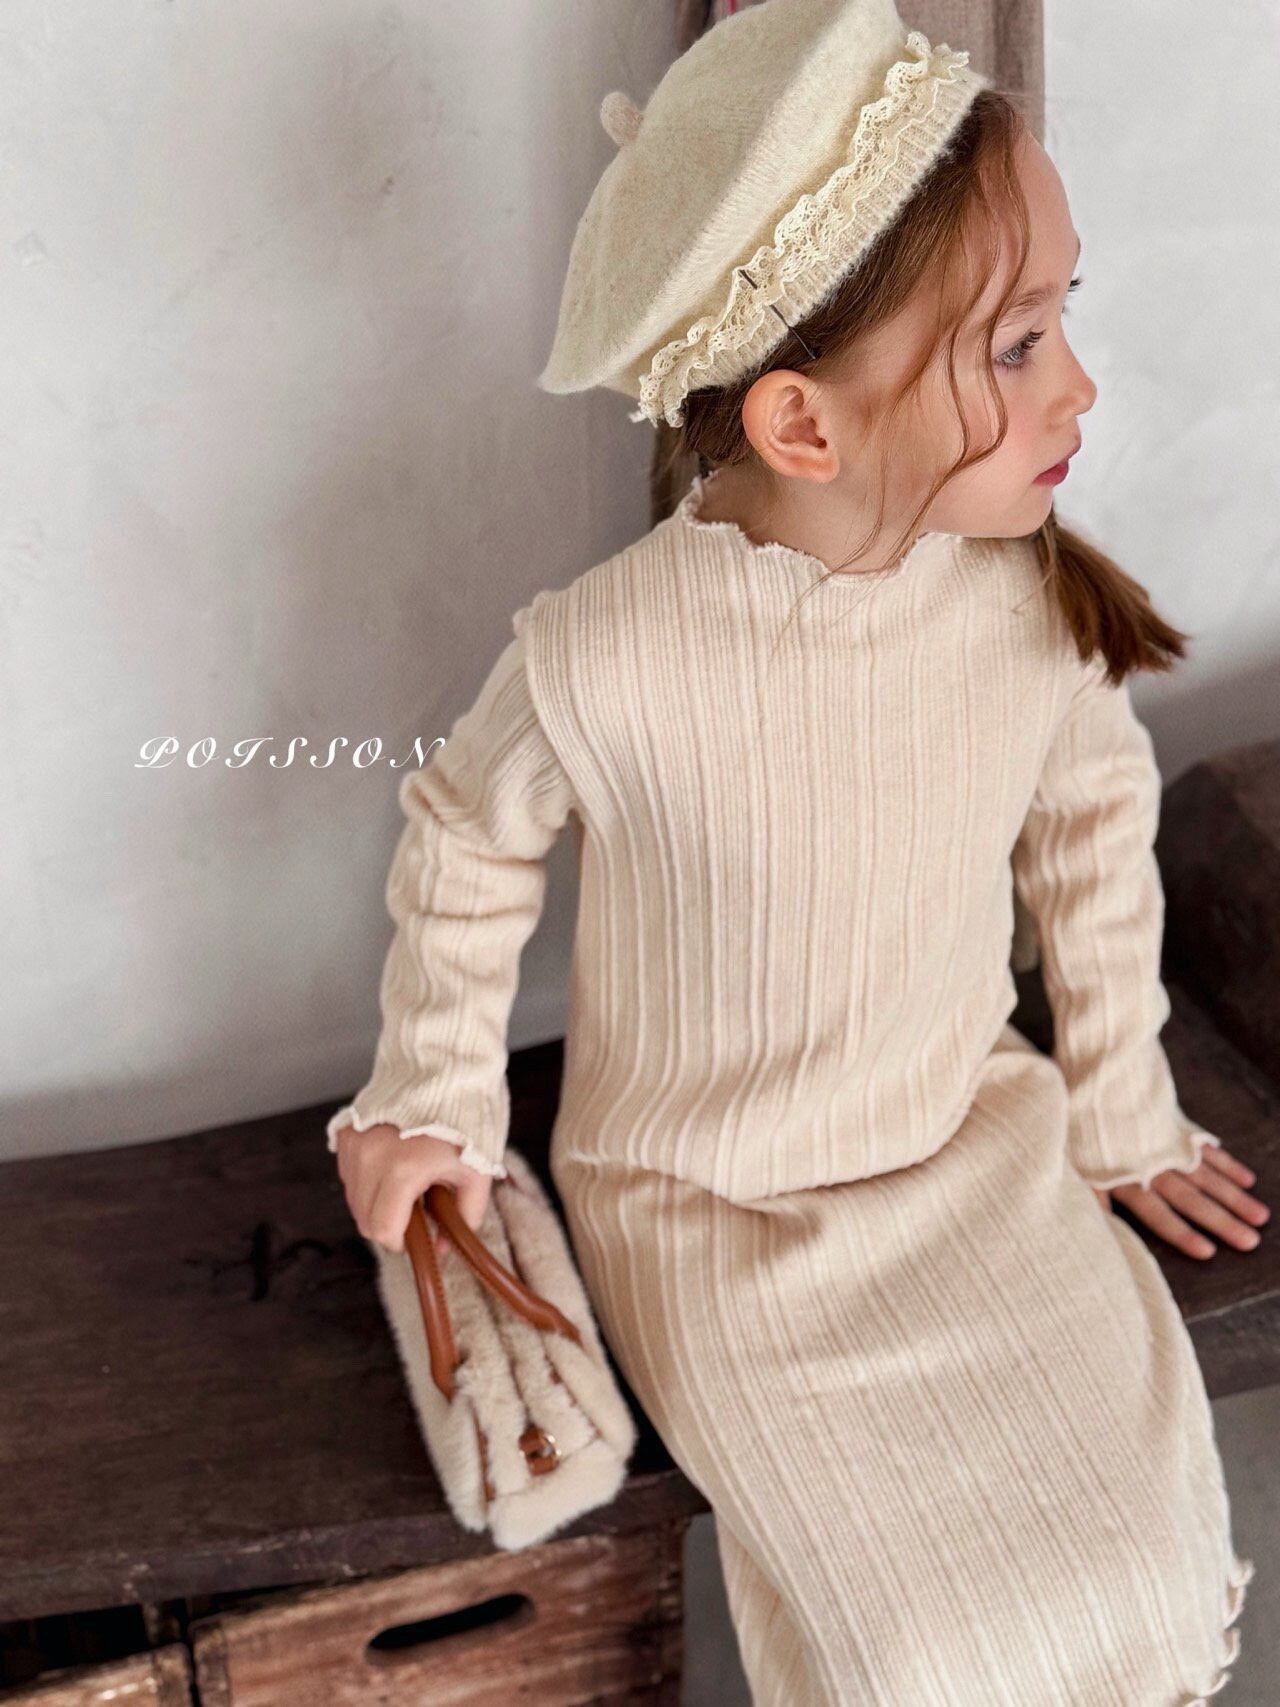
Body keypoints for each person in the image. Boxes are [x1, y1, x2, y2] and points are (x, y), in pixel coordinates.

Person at [327, 2, 1267, 1698]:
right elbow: (467, 834)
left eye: (1066, 314)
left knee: (1134, 1560)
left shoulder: (1020, 600)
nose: (1079, 382)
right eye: (1016, 344)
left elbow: (1093, 830)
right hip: (711, 1204)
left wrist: (1119, 1105)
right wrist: (434, 1093)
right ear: (804, 427)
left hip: (965, 1139)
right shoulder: (611, 655)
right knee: (916, 1638)